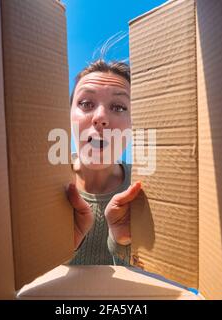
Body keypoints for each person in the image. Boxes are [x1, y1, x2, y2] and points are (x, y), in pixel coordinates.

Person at [65, 59, 142, 266]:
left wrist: (122, 242)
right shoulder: (41, 184)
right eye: (86, 104)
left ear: (134, 122)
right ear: (68, 115)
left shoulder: (147, 189)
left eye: (118, 107)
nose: (100, 118)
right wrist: (59, 249)